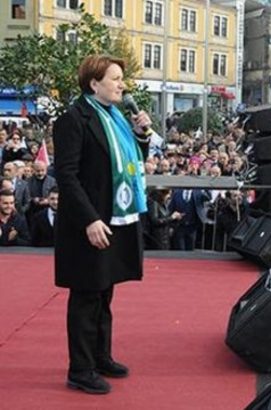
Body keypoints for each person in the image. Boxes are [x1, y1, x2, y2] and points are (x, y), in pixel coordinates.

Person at [53, 55, 152, 394]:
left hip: (116, 216)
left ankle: (101, 356)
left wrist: (141, 135)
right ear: (94, 84)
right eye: (115, 78)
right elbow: (66, 176)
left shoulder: (117, 118)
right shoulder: (73, 119)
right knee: (86, 295)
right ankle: (80, 369)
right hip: (89, 223)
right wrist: (90, 220)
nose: (121, 85)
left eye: (121, 78)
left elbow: (131, 160)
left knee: (104, 291)